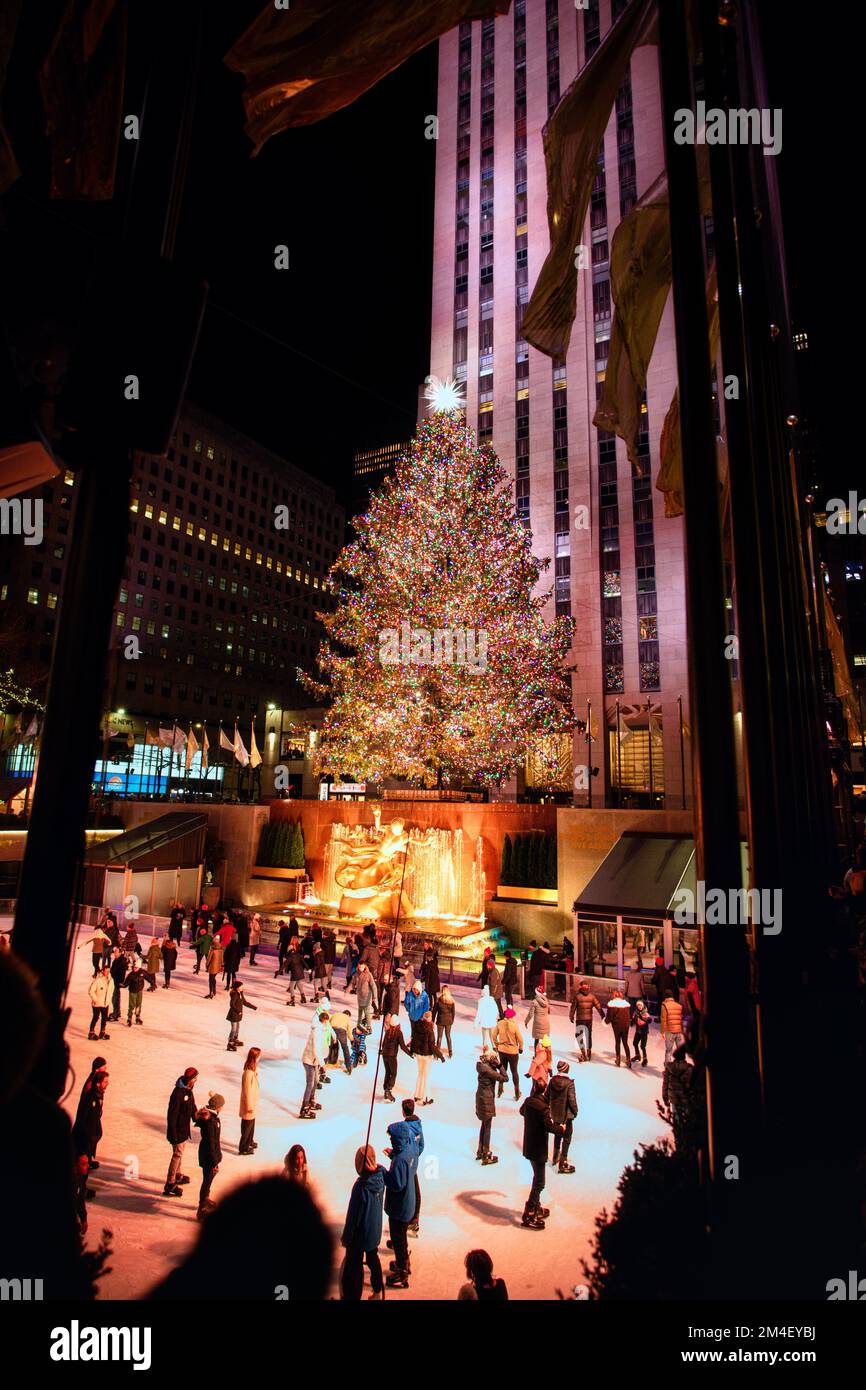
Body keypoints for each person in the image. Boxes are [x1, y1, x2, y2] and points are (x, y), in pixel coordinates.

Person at [340, 1145, 386, 1300]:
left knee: (354, 1266)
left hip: (360, 1235)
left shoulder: (361, 1187)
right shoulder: (380, 1178)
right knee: (373, 1258)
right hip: (374, 1229)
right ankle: (377, 1290)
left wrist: (347, 1237)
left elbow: (353, 1216)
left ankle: (352, 1295)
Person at [519, 1080, 563, 1230]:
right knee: (540, 1182)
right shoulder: (543, 1107)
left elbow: (521, 1111)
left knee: (537, 1177)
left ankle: (536, 1207)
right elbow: (549, 1126)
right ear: (545, 1091)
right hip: (538, 1148)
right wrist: (561, 1129)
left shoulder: (529, 1102)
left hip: (529, 1146)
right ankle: (529, 1211)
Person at [383, 1119, 419, 1288]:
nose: (390, 1140)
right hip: (409, 1202)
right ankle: (404, 1262)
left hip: (400, 1207)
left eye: (392, 1138)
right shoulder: (410, 1149)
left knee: (397, 1238)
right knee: (401, 1236)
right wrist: (393, 1154)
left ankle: (401, 1270)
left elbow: (396, 1184)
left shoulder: (400, 1161)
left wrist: (383, 1172)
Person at [164, 1066, 198, 1197]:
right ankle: (170, 1182)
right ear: (190, 1080)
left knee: (179, 1153)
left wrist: (197, 1117)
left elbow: (192, 1106)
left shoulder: (188, 1091)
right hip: (177, 1131)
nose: (196, 1081)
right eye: (195, 1079)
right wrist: (173, 1133)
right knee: (177, 1154)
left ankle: (177, 1175)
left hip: (183, 1130)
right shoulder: (178, 1093)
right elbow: (172, 1115)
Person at [72, 1065, 109, 1174]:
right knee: (81, 1166)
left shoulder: (98, 1095)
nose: (107, 1084)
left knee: (85, 1165)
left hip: (89, 1137)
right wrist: (88, 1136)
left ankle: (83, 1187)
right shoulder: (90, 1096)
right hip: (85, 1138)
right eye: (105, 1082)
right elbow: (82, 1118)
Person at [194, 1092, 224, 1220]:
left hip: (208, 1153)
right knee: (207, 1180)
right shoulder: (211, 1121)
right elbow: (212, 1142)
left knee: (209, 1177)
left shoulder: (211, 1118)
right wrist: (215, 1160)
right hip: (208, 1155)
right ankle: (202, 1208)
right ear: (218, 1107)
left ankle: (205, 1198)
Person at [475, 1048, 507, 1164]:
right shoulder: (489, 1071)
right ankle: (486, 1154)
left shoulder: (481, 1066)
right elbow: (505, 1078)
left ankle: (480, 1150)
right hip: (487, 1099)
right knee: (487, 1126)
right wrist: (500, 1065)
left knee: (484, 1124)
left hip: (480, 1097)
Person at [548, 1060, 578, 1174]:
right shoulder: (569, 1083)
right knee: (567, 1137)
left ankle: (555, 1157)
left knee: (557, 1134)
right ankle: (563, 1161)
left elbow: (547, 1095)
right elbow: (572, 1100)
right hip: (567, 1116)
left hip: (555, 1113)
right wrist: (575, 1111)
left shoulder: (552, 1081)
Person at [410, 1008, 444, 1106]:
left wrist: (412, 1051)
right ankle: (426, 1097)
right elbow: (432, 1046)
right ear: (430, 1019)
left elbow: (414, 1040)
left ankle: (417, 1095)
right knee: (426, 1076)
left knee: (420, 1074)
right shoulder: (430, 1030)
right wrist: (440, 1055)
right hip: (427, 1056)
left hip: (419, 1055)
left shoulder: (417, 1026)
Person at [493, 1006, 524, 1099]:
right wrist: (521, 1049)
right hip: (513, 1052)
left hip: (502, 1051)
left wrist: (497, 1045)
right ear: (511, 1017)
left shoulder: (499, 1023)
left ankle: (500, 1090)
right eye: (514, 1016)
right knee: (514, 1071)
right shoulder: (514, 1026)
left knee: (503, 1070)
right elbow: (521, 1040)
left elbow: (493, 1035)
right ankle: (517, 1093)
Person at [569, 980, 604, 1061]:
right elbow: (598, 1006)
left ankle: (583, 1053)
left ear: (581, 987)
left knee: (579, 1035)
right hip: (589, 1019)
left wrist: (571, 1016)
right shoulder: (592, 996)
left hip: (580, 1019)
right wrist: (603, 1015)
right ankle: (589, 1053)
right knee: (588, 1035)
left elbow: (573, 1008)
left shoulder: (577, 996)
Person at [381, 1014, 412, 1101]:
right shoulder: (398, 1033)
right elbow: (402, 1046)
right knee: (393, 1074)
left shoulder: (387, 1031)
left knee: (388, 1072)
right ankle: (388, 1090)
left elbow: (383, 1044)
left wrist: (382, 1051)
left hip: (385, 1055)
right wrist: (410, 1054)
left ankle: (386, 1090)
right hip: (391, 1056)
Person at [300, 1015, 323, 1119]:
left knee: (315, 1081)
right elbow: (315, 1049)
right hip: (309, 1061)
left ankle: (310, 1101)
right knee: (310, 1083)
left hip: (313, 1061)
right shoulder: (317, 1032)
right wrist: (321, 1063)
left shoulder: (319, 1030)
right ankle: (304, 1108)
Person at [239, 1047, 261, 1154]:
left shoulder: (252, 1071)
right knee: (247, 1127)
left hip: (252, 1103)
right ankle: (243, 1147)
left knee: (251, 1125)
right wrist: (249, 1106)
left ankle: (249, 1141)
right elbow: (247, 1091)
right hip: (249, 1105)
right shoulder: (248, 1074)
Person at [227, 978, 256, 1051]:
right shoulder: (234, 994)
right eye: (241, 986)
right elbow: (232, 1004)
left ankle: (235, 1040)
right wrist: (238, 1011)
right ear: (237, 988)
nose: (242, 988)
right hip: (234, 1014)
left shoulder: (239, 994)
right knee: (233, 1029)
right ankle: (230, 1044)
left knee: (237, 1028)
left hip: (238, 1015)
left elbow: (244, 1002)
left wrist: (254, 1007)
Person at [606, 988, 632, 1067]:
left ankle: (618, 1060)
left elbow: (610, 1016)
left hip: (617, 1026)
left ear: (614, 996)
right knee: (625, 1042)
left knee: (617, 1042)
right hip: (626, 1025)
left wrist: (605, 1022)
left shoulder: (612, 1004)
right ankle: (628, 1060)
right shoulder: (626, 1005)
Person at [87, 965, 112, 1040]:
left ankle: (102, 1032)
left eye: (108, 971)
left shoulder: (111, 980)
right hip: (97, 1003)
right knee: (96, 1017)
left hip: (105, 1003)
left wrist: (108, 999)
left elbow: (111, 990)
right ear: (102, 971)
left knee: (104, 1018)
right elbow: (91, 991)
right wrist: (95, 999)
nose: (107, 972)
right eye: (106, 971)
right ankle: (91, 1033)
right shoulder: (98, 980)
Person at [660, 988, 685, 1063]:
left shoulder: (664, 1005)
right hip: (679, 1031)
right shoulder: (679, 1006)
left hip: (669, 1031)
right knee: (680, 1052)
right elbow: (681, 1019)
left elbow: (663, 1020)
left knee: (669, 1051)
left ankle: (668, 1069)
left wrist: (662, 1032)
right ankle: (681, 1068)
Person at [433, 984, 456, 1058]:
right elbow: (453, 1012)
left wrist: (432, 1021)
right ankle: (450, 1053)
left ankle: (437, 1054)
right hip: (448, 1021)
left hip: (440, 1020)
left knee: (439, 1037)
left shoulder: (438, 1000)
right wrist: (451, 1021)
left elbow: (434, 1011)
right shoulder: (451, 1001)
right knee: (448, 1036)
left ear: (442, 991)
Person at [474, 983, 499, 1050]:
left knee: (485, 1037)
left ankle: (485, 1049)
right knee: (492, 1036)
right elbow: (496, 1010)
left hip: (485, 1022)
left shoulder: (481, 1001)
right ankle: (494, 1047)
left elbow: (479, 1013)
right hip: (492, 1021)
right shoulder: (492, 1000)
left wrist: (476, 1023)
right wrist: (496, 1018)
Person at [330, 1004, 353, 1073]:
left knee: (333, 1045)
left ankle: (332, 1060)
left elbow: (328, 1021)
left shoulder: (336, 1014)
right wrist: (351, 1040)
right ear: (348, 1015)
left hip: (332, 1028)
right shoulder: (347, 1018)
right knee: (345, 1048)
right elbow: (349, 1031)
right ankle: (348, 1066)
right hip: (341, 1031)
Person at [124, 958, 145, 1027]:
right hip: (132, 991)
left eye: (136, 967)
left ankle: (137, 1017)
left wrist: (153, 983)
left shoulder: (142, 973)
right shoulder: (131, 974)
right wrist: (123, 985)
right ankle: (129, 1018)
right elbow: (126, 982)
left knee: (138, 1004)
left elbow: (148, 977)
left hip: (139, 991)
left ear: (139, 967)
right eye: (134, 967)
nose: (134, 969)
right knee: (132, 1005)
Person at [285, 938, 307, 1005]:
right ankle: (303, 997)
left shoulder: (298, 947)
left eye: (296, 940)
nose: (295, 941)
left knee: (292, 985)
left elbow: (300, 957)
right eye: (294, 940)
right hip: (298, 970)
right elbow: (287, 956)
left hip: (295, 969)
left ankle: (292, 1000)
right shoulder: (290, 946)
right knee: (299, 984)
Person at [355, 962, 376, 1032]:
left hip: (367, 996)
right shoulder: (357, 974)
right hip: (360, 996)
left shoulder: (368, 974)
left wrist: (374, 996)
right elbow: (353, 982)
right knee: (360, 1011)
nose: (361, 968)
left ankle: (369, 1026)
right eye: (360, 967)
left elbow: (373, 985)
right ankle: (359, 1024)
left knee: (367, 1012)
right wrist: (349, 988)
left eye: (362, 967)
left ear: (365, 967)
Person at [420, 944, 440, 1013]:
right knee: (433, 994)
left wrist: (423, 979)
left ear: (430, 957)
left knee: (431, 994)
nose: (427, 958)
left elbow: (428, 974)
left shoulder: (429, 965)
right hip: (434, 982)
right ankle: (434, 1006)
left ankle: (431, 1007)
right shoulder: (434, 963)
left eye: (427, 957)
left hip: (431, 982)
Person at [109, 946, 127, 1021]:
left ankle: (115, 1014)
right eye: (114, 952)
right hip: (115, 981)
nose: (114, 953)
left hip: (116, 982)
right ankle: (117, 1012)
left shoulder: (121, 961)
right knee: (116, 998)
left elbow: (120, 973)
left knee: (115, 998)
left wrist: (118, 982)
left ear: (120, 952)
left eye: (116, 952)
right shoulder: (117, 960)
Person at [633, 998, 650, 1066]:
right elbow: (634, 1020)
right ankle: (637, 1055)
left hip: (644, 1032)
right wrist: (634, 1020)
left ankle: (645, 1059)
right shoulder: (636, 1011)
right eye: (638, 1005)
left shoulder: (645, 1012)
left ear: (643, 1005)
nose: (639, 1006)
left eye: (640, 1005)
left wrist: (643, 1020)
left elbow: (647, 1020)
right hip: (638, 1031)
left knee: (643, 1046)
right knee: (635, 1043)